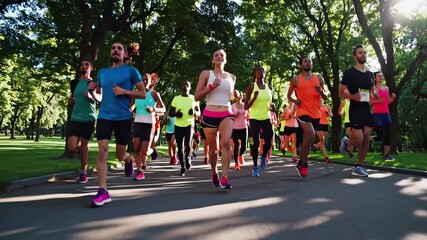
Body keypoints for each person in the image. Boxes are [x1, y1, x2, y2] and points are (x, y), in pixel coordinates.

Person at [87, 41, 146, 207]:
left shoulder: (131, 71)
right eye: (113, 48)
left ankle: (128, 160)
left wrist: (125, 91)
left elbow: (142, 93)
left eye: (119, 48)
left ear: (125, 54)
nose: (116, 50)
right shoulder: (102, 73)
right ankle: (102, 191)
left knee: (120, 154)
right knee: (103, 151)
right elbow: (100, 97)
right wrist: (92, 91)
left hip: (123, 117)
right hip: (105, 115)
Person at [195, 48, 235, 189]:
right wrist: (211, 86)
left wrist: (235, 96)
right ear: (212, 60)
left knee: (225, 144)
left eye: (222, 55)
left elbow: (229, 97)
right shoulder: (206, 74)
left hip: (226, 113)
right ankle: (214, 172)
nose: (219, 57)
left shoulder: (232, 77)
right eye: (216, 55)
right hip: (210, 114)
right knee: (213, 150)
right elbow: (197, 96)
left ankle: (225, 177)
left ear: (225, 59)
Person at [339, 44, 377, 177]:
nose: (363, 54)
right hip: (355, 110)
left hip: (366, 109)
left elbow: (372, 91)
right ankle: (347, 142)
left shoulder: (370, 74)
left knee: (366, 138)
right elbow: (341, 92)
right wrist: (352, 96)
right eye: (360, 53)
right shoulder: (349, 73)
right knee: (360, 139)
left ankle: (358, 166)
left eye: (365, 52)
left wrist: (375, 94)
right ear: (355, 56)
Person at [287, 56, 328, 177]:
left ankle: (301, 162)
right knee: (311, 134)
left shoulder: (318, 77)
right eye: (305, 61)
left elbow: (325, 97)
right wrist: (295, 101)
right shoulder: (296, 80)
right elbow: (289, 96)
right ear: (301, 65)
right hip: (302, 111)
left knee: (308, 140)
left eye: (310, 61)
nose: (308, 63)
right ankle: (304, 163)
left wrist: (320, 91)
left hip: (316, 113)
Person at [68, 58, 99, 184]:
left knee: (83, 147)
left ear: (91, 68)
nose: (84, 67)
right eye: (82, 65)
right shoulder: (74, 83)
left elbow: (99, 99)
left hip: (89, 118)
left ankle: (83, 172)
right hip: (75, 118)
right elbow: (73, 96)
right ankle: (82, 153)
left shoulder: (93, 84)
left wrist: (91, 95)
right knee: (71, 147)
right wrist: (71, 101)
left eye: (87, 65)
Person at [132, 73, 165, 180]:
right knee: (136, 149)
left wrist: (153, 109)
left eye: (147, 79)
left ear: (151, 82)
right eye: (143, 79)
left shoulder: (154, 94)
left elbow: (163, 109)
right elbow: (132, 106)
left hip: (149, 123)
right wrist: (128, 110)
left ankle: (152, 150)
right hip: (137, 123)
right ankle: (139, 171)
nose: (145, 81)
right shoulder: (136, 94)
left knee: (144, 152)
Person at [244, 65, 273, 177]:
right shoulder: (251, 87)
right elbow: (246, 107)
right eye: (258, 70)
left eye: (263, 70)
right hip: (254, 118)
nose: (261, 72)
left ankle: (264, 155)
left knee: (269, 139)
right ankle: (255, 167)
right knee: (255, 143)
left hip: (266, 117)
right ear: (254, 73)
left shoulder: (269, 88)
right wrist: (254, 98)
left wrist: (272, 107)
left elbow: (269, 104)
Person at [169, 80, 198, 176]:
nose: (185, 86)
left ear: (190, 87)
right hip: (178, 125)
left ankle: (188, 158)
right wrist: (176, 114)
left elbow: (199, 114)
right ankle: (182, 166)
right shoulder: (176, 99)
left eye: (187, 85)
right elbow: (170, 113)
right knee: (180, 146)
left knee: (187, 145)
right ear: (181, 86)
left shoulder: (194, 99)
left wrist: (193, 113)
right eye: (183, 84)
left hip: (189, 124)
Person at [372, 71, 396, 160]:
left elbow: (387, 102)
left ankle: (386, 155)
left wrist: (392, 98)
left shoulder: (387, 88)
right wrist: (378, 101)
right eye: (378, 76)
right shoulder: (373, 88)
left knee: (387, 135)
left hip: (386, 114)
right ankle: (369, 138)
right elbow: (370, 101)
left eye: (381, 76)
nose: (381, 77)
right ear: (375, 78)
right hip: (377, 114)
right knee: (380, 134)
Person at [231, 90, 248, 170]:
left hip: (244, 127)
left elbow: (249, 115)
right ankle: (236, 163)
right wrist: (235, 116)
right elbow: (230, 116)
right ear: (235, 98)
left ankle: (240, 155)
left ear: (242, 97)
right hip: (235, 128)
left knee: (244, 146)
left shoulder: (245, 106)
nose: (238, 98)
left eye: (240, 96)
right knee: (236, 146)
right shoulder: (233, 106)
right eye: (237, 97)